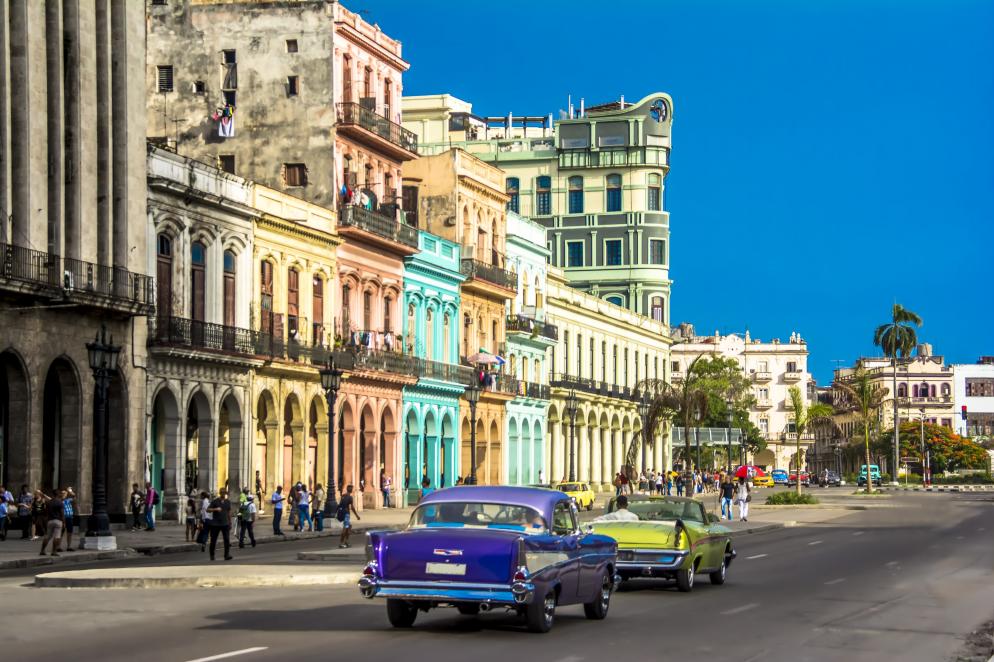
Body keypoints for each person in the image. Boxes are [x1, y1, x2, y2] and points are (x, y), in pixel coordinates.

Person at [206, 487, 233, 561]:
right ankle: (212, 555)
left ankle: (226, 555)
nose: (223, 494)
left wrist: (230, 522)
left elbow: (229, 512)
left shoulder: (228, 502)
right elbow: (208, 509)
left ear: (226, 493)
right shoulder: (215, 501)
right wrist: (215, 509)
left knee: (227, 540)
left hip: (225, 524)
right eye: (222, 492)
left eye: (224, 492)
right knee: (213, 540)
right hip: (215, 524)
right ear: (220, 493)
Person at [39, 489, 65, 556]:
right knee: (57, 537)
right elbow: (62, 513)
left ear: (52, 494)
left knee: (47, 536)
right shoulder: (60, 502)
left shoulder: (48, 502)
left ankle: (42, 550)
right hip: (58, 521)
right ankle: (54, 551)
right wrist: (64, 522)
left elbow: (46, 512)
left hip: (50, 520)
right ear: (58, 494)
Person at [337, 484, 360, 549]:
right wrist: (357, 515)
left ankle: (346, 541)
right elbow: (352, 508)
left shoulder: (343, 496)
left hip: (342, 513)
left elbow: (340, 504)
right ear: (351, 490)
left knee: (349, 527)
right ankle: (341, 543)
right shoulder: (350, 497)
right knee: (345, 528)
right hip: (346, 514)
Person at [61, 486, 76, 552]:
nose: (64, 494)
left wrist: (70, 491)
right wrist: (67, 492)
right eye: (62, 493)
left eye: (64, 493)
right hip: (63, 518)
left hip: (70, 517)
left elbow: (74, 497)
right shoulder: (60, 501)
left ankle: (69, 546)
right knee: (61, 532)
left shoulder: (68, 500)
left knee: (69, 532)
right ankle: (58, 546)